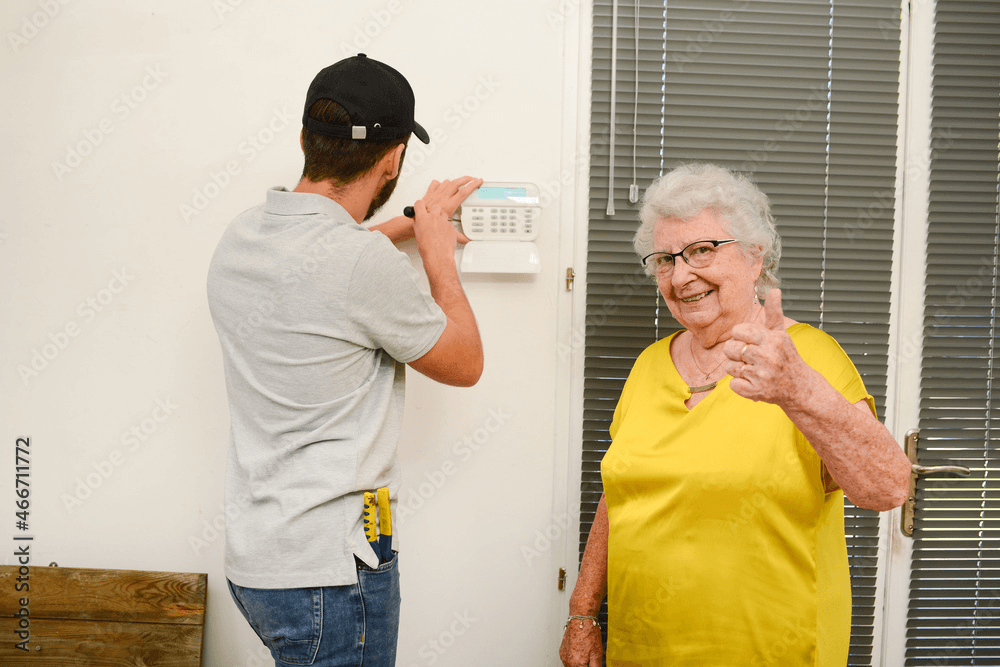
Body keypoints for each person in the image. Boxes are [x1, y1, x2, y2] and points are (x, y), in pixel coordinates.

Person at [559, 163, 912, 666]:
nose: (681, 275)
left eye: (702, 250)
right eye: (665, 259)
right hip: (643, 648)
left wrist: (799, 391)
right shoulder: (648, 365)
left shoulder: (807, 357)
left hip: (773, 650)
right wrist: (582, 612)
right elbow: (619, 496)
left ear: (754, 257)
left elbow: (888, 488)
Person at [206, 54, 484, 667]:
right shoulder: (359, 267)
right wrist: (438, 254)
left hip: (260, 563)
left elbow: (321, 268)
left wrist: (406, 228)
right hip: (331, 573)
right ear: (393, 160)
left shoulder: (242, 237)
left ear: (306, 138)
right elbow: (464, 363)